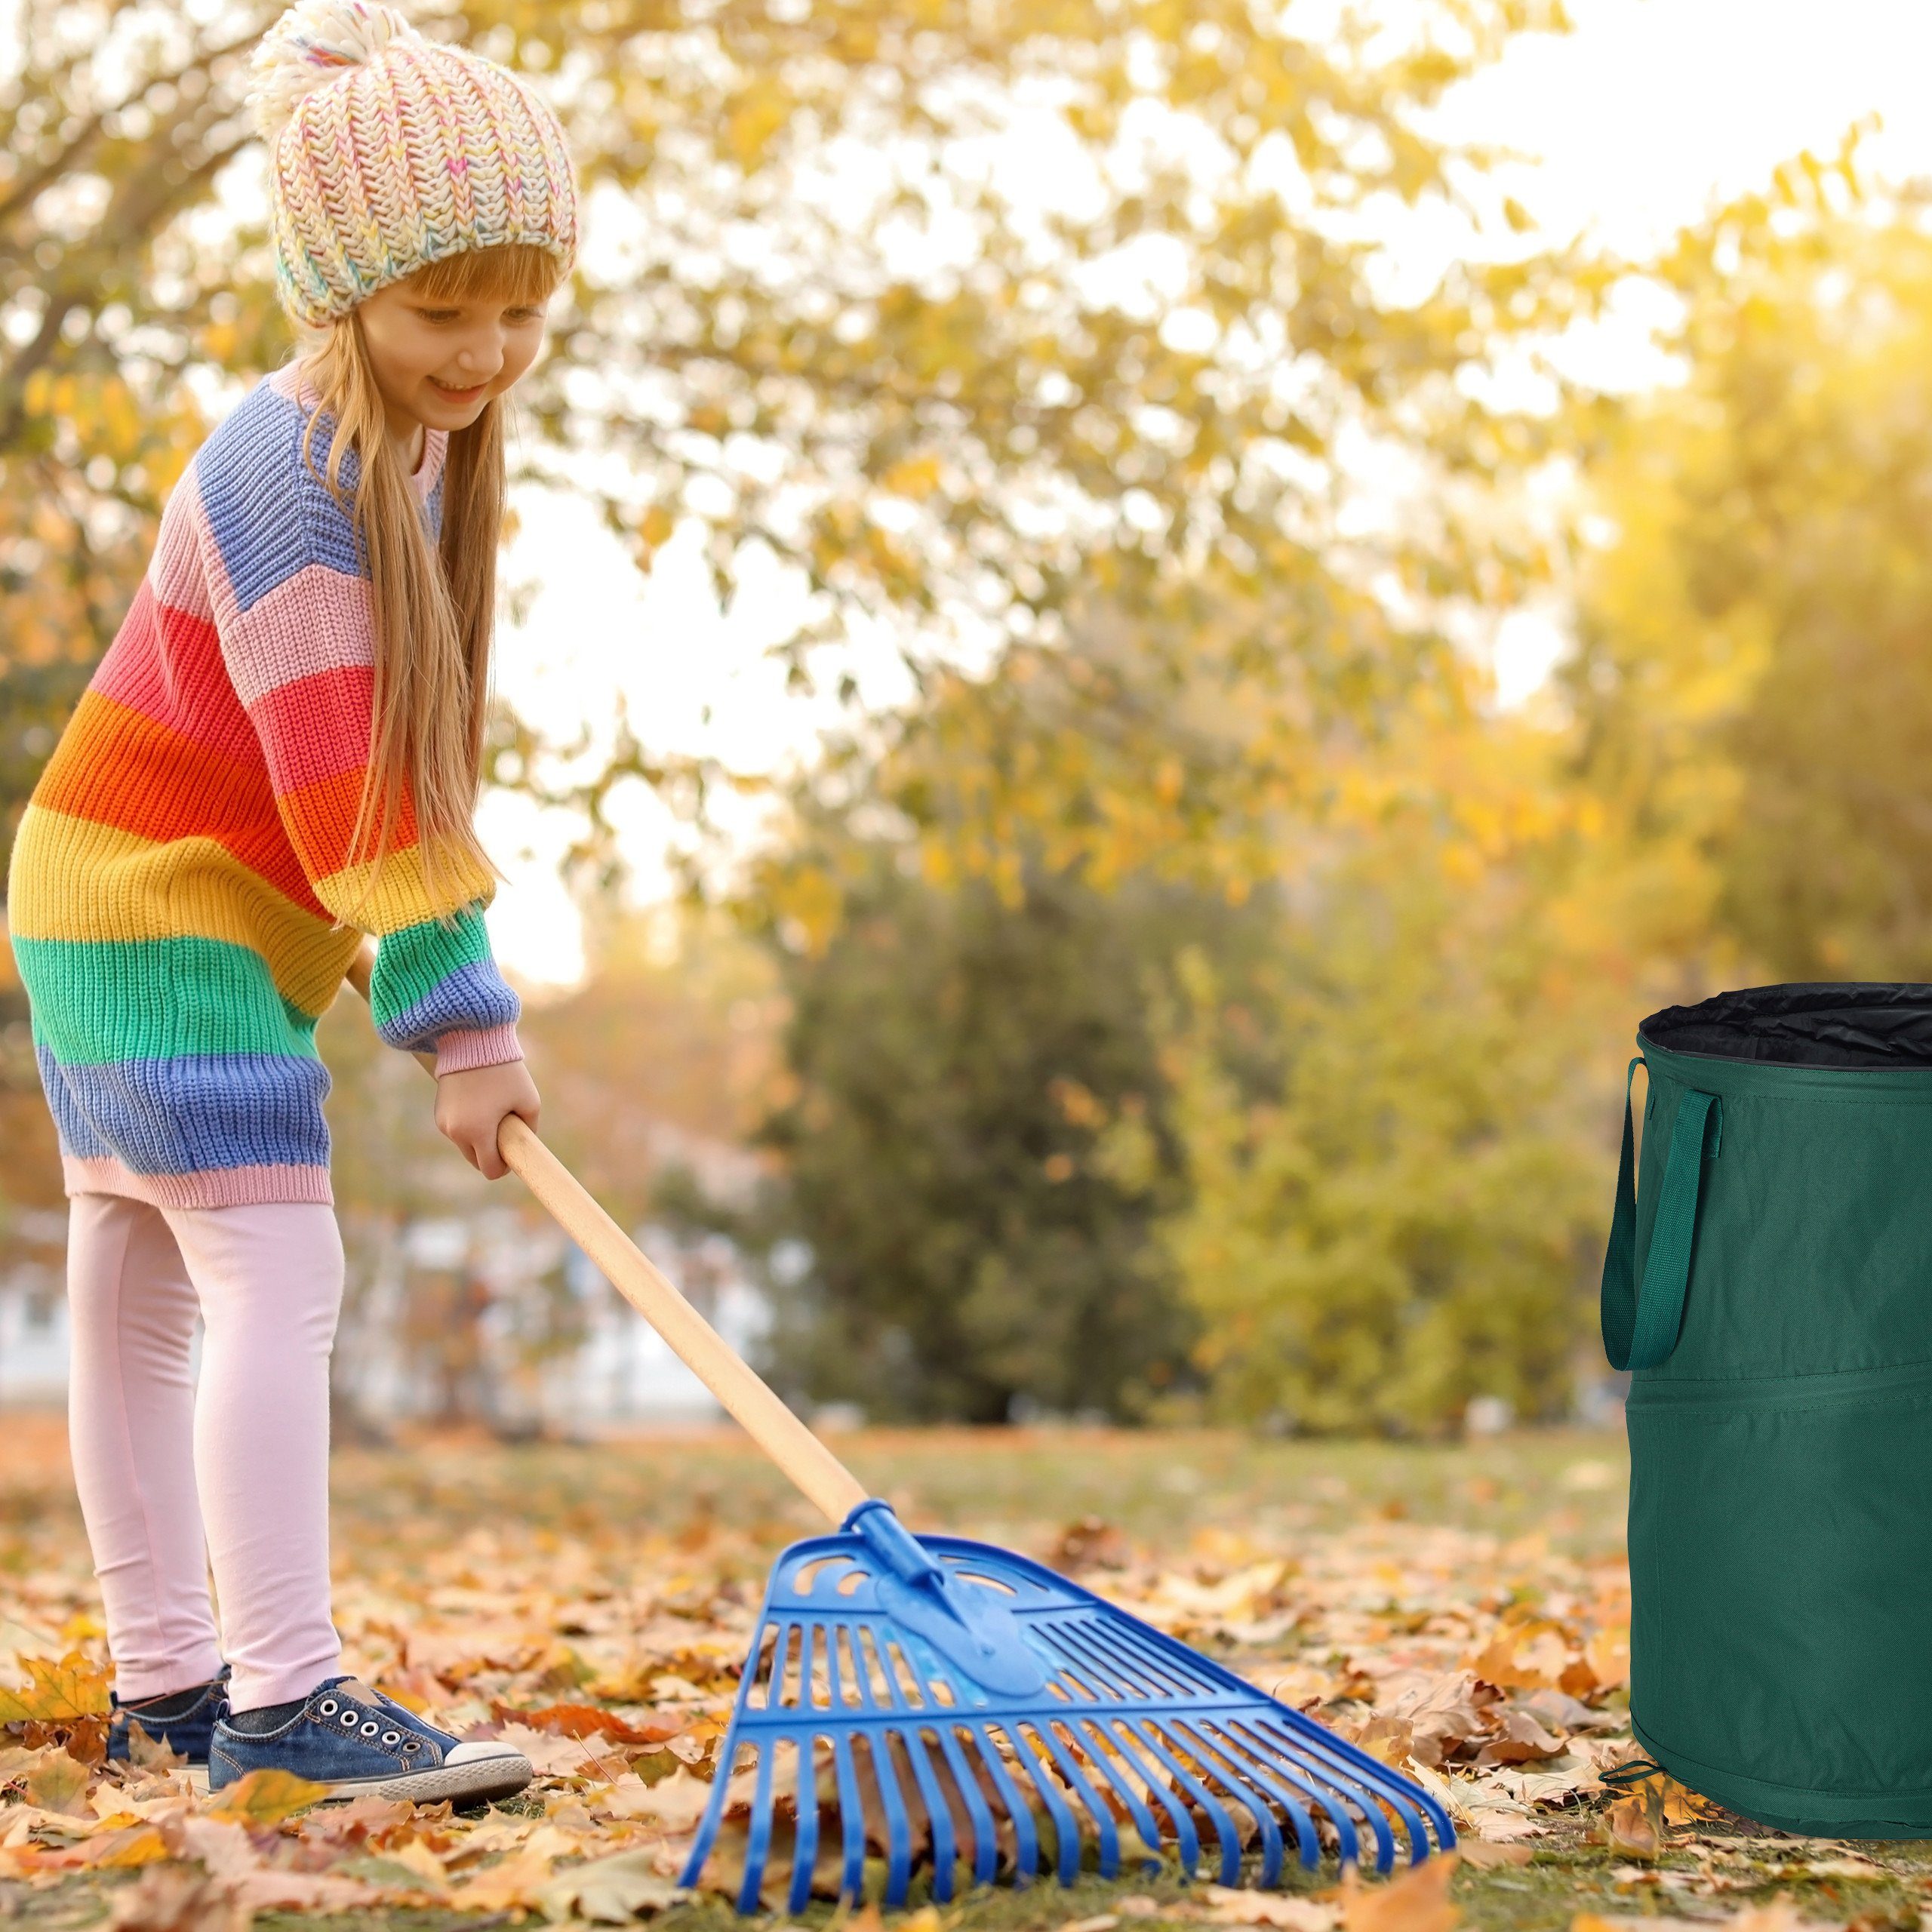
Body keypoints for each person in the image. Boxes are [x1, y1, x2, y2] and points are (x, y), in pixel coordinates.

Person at [5, 0, 579, 1801]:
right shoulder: (295, 474)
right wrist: (460, 1017)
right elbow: (358, 778)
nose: (482, 347)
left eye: (515, 305)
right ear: (338, 292)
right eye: (440, 308)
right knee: (274, 1265)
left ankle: (174, 1688)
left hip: (117, 896)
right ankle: (283, 1695)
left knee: (147, 1284)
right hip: (151, 907)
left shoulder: (405, 448)